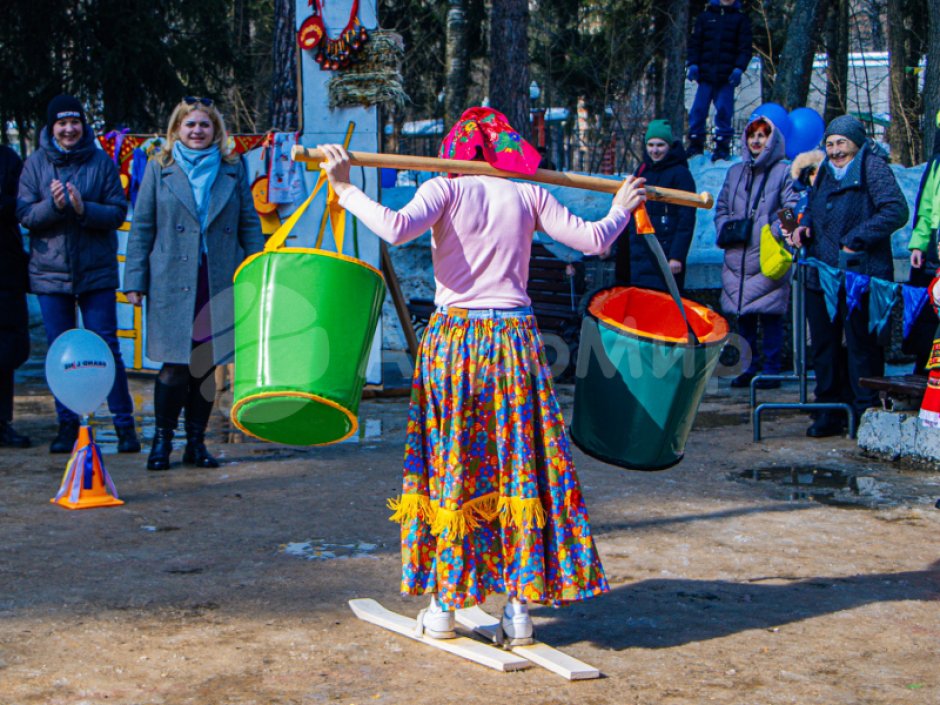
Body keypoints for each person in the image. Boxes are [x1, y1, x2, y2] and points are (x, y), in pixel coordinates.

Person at [319, 107, 645, 643]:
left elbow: (397, 231)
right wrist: (620, 208)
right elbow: (594, 241)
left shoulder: (446, 190)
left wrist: (345, 189)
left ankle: (444, 607)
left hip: (454, 342)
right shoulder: (527, 192)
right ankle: (518, 613)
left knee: (453, 462)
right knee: (518, 462)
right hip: (513, 341)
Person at [124, 97, 264, 471]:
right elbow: (142, 226)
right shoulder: (160, 167)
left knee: (204, 365)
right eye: (190, 125)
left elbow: (250, 223)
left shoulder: (233, 168)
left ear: (215, 130)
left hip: (217, 278)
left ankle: (196, 445)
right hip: (171, 280)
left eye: (205, 125)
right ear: (176, 131)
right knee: (174, 366)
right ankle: (161, 443)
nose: (198, 131)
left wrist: (258, 271)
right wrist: (134, 281)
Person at [16, 94, 140, 454]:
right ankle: (67, 426)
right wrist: (53, 207)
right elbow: (25, 215)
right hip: (50, 275)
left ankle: (124, 426)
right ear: (51, 127)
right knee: (60, 352)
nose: (69, 129)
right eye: (62, 123)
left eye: (75, 122)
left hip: (95, 273)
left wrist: (83, 208)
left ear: (83, 125)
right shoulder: (35, 165)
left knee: (107, 347)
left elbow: (117, 212)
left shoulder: (101, 162)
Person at [785, 115, 909, 437]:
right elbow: (812, 205)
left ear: (856, 143)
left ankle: (863, 413)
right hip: (821, 273)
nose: (836, 150)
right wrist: (804, 225)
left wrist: (857, 238)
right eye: (830, 144)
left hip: (860, 274)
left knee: (861, 346)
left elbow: (895, 210)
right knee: (824, 346)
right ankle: (828, 411)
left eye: (842, 143)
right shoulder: (825, 169)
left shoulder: (873, 167)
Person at [715, 116, 796, 390]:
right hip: (738, 254)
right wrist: (726, 229)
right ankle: (748, 367)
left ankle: (771, 369)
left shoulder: (784, 171)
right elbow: (722, 206)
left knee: (771, 313)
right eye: (752, 135)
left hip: (766, 254)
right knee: (744, 314)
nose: (756, 141)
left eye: (763, 135)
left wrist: (773, 231)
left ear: (772, 140)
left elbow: (791, 208)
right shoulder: (735, 172)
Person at [614, 119, 696, 291]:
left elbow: (686, 219)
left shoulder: (681, 175)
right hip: (640, 252)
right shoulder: (642, 170)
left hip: (665, 253)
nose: (655, 150)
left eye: (660, 145)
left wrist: (677, 256)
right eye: (650, 145)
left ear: (669, 146)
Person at [686, 0, 753, 162]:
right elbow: (695, 44)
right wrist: (693, 64)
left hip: (726, 77)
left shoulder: (740, 20)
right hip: (705, 76)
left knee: (724, 110)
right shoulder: (705, 17)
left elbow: (745, 48)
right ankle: (695, 143)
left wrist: (738, 69)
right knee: (698, 110)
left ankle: (722, 145)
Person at [905, 110, 940, 375]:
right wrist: (919, 244)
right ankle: (925, 375)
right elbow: (926, 208)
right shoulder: (936, 164)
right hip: (935, 252)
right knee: (929, 316)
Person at [0, 144, 30, 448]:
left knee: (5, 349)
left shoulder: (8, 158)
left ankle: (2, 422)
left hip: (5, 267)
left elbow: (23, 204)